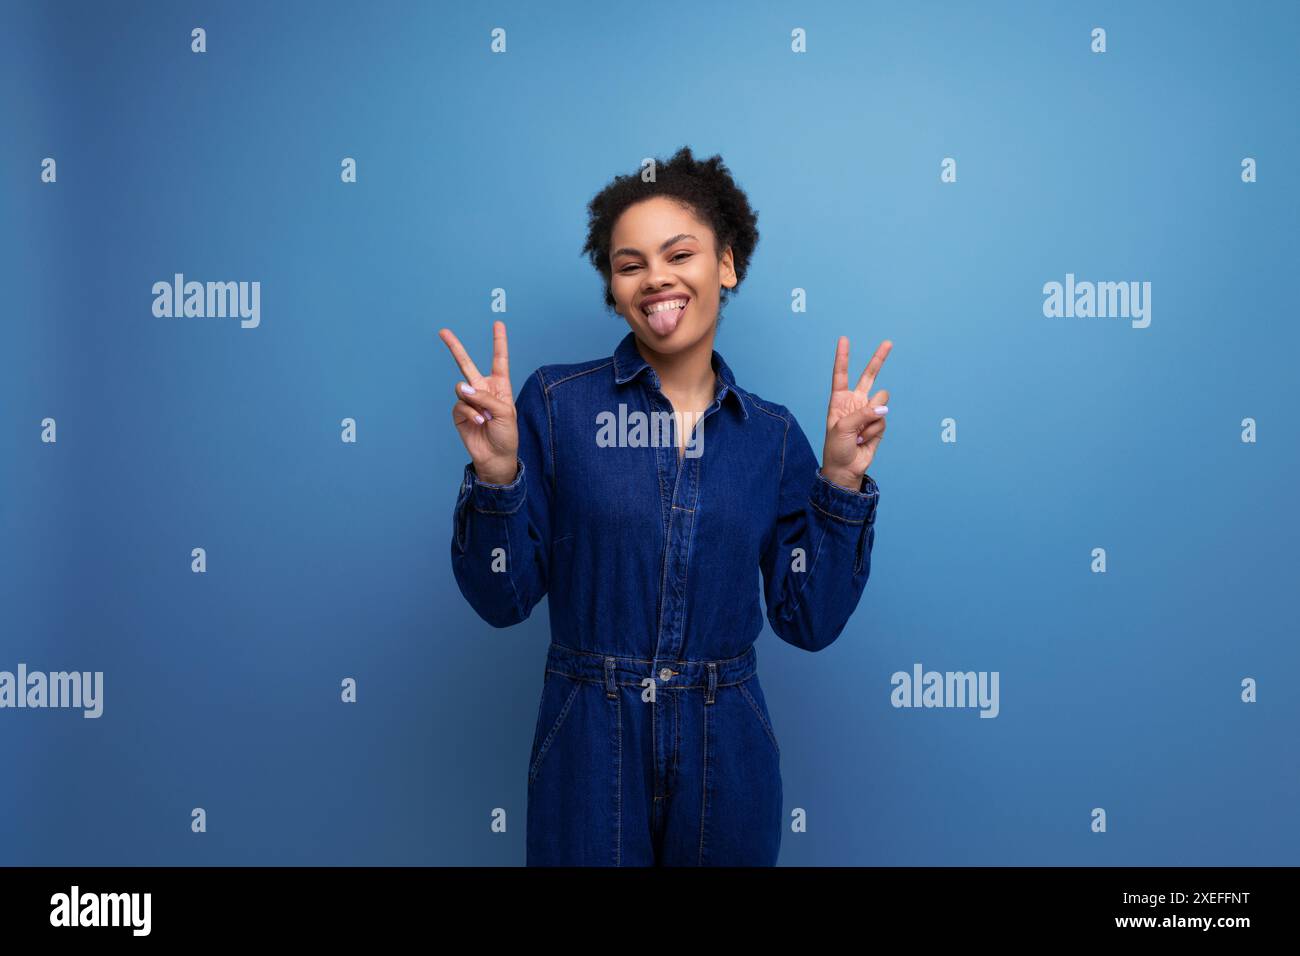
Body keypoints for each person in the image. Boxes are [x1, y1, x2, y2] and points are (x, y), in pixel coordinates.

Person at [439, 146, 892, 866]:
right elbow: (503, 599)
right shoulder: (556, 407)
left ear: (727, 265)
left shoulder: (771, 436)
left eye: (679, 253)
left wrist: (838, 484)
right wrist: (497, 476)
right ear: (616, 290)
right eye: (628, 265)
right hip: (586, 736)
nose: (656, 279)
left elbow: (809, 620)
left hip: (728, 745)